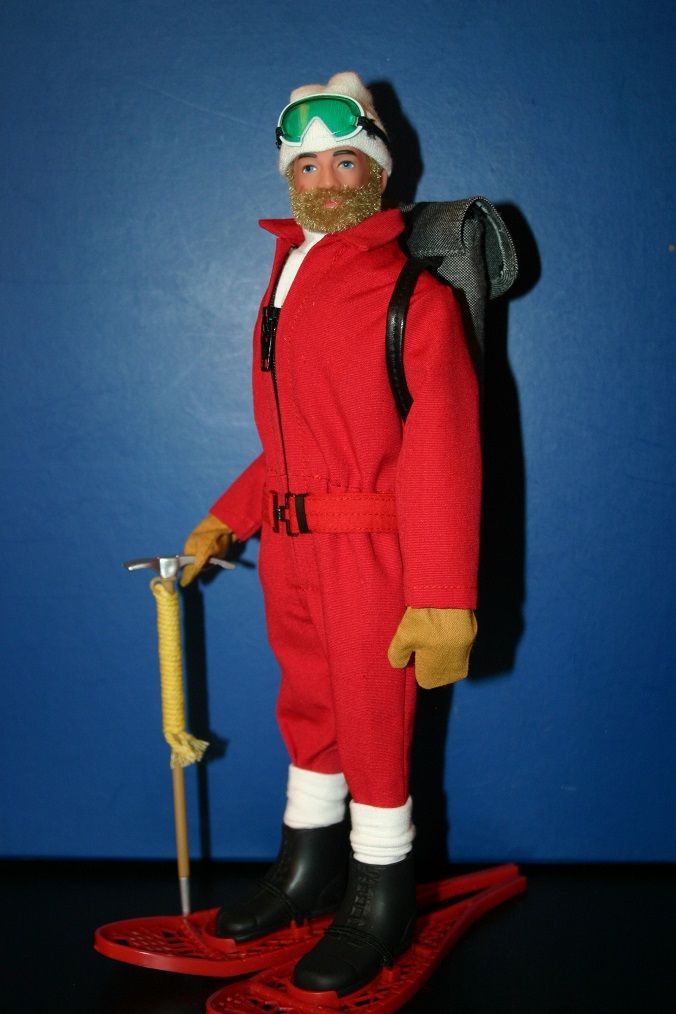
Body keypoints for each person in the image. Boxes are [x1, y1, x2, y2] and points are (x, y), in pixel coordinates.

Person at [182, 71, 482, 998]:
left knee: (373, 718)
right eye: (306, 165)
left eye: (344, 161)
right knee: (309, 706)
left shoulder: (412, 299)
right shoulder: (284, 282)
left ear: (378, 172)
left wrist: (442, 596)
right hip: (291, 547)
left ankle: (380, 892)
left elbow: (443, 450)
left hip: (368, 551)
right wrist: (230, 514)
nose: (323, 180)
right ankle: (308, 866)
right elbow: (292, 441)